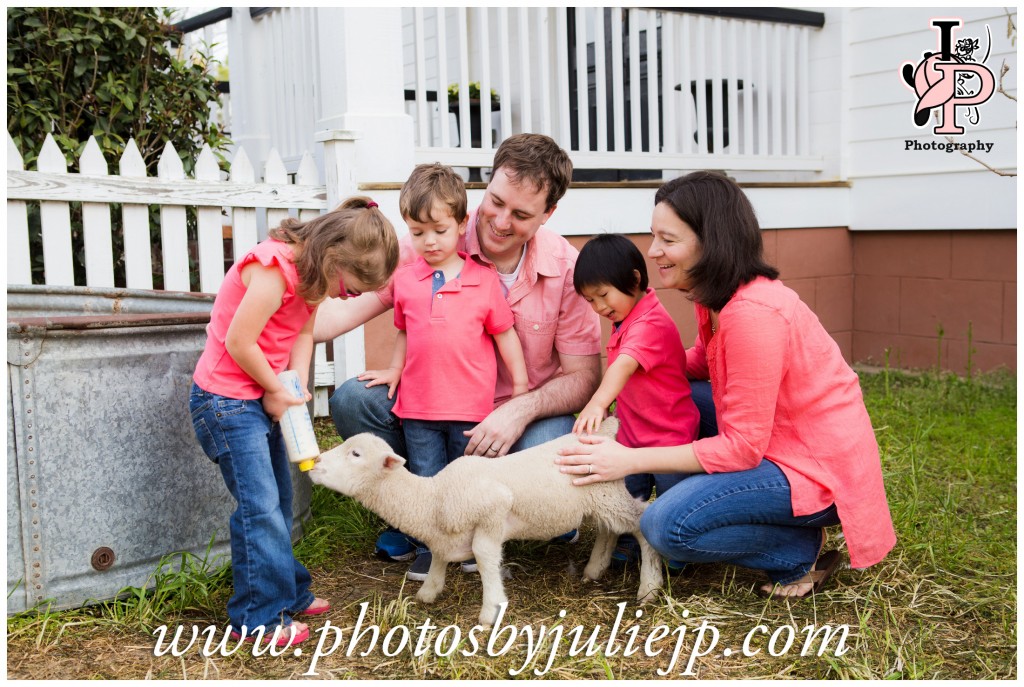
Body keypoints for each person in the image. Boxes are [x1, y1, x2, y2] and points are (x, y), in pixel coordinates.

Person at [556, 171, 896, 598]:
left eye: (668, 239)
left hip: (816, 467)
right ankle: (769, 525)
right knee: (680, 397)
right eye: (653, 236)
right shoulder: (718, 299)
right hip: (780, 439)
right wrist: (643, 363)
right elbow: (696, 366)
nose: (654, 251)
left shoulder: (752, 316)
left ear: (711, 241)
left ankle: (792, 551)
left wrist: (630, 460)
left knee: (665, 525)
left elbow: (741, 448)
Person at [314, 133, 602, 563]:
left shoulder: (565, 269)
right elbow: (338, 315)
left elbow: (584, 376)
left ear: (548, 214)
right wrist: (270, 315)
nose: (501, 222)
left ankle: (530, 518)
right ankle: (412, 512)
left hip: (518, 415)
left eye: (521, 214)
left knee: (554, 441)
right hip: (434, 403)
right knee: (356, 400)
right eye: (496, 201)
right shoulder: (434, 240)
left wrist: (517, 410)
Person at [189, 197, 399, 645]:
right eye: (354, 287)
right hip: (226, 401)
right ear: (334, 256)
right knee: (258, 507)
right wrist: (274, 388)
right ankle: (257, 617)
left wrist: (296, 383)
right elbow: (239, 340)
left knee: (281, 499)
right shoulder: (272, 269)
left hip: (258, 394)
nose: (352, 296)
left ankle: (288, 590)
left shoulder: (313, 278)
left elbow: (302, 332)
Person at [357, 163, 529, 580]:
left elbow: (505, 335)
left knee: (466, 480)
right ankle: (431, 548)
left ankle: (472, 547)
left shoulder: (483, 280)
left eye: (439, 230)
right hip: (418, 408)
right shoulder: (407, 280)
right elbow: (403, 331)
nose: (428, 242)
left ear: (461, 223)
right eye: (417, 233)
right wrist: (396, 370)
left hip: (471, 409)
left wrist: (522, 385)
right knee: (428, 480)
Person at [571, 233, 699, 568]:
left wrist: (598, 403)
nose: (599, 307)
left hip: (668, 435)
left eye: (603, 295)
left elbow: (625, 364)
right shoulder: (624, 318)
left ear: (634, 279)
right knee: (630, 494)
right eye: (590, 301)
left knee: (672, 498)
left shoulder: (651, 322)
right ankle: (629, 541)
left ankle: (674, 555)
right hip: (632, 434)